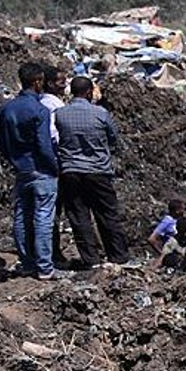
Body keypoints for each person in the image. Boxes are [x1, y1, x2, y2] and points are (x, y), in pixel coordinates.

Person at [53, 76, 132, 270]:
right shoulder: (101, 113)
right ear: (89, 92)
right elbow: (113, 138)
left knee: (79, 217)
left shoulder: (61, 113)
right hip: (98, 171)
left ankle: (91, 260)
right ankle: (118, 257)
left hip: (70, 171)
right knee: (107, 215)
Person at [0, 62, 63, 279]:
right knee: (43, 217)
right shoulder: (39, 110)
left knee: (21, 216)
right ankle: (45, 267)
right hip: (41, 171)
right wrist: (54, 167)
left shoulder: (6, 109)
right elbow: (44, 145)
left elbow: (3, 146)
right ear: (37, 82)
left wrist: (15, 162)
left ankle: (27, 263)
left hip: (21, 170)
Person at [40, 67, 67, 269]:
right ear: (50, 83)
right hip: (53, 164)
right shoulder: (54, 105)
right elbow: (53, 136)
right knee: (51, 212)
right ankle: (52, 254)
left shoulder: (40, 101)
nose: (64, 85)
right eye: (60, 82)